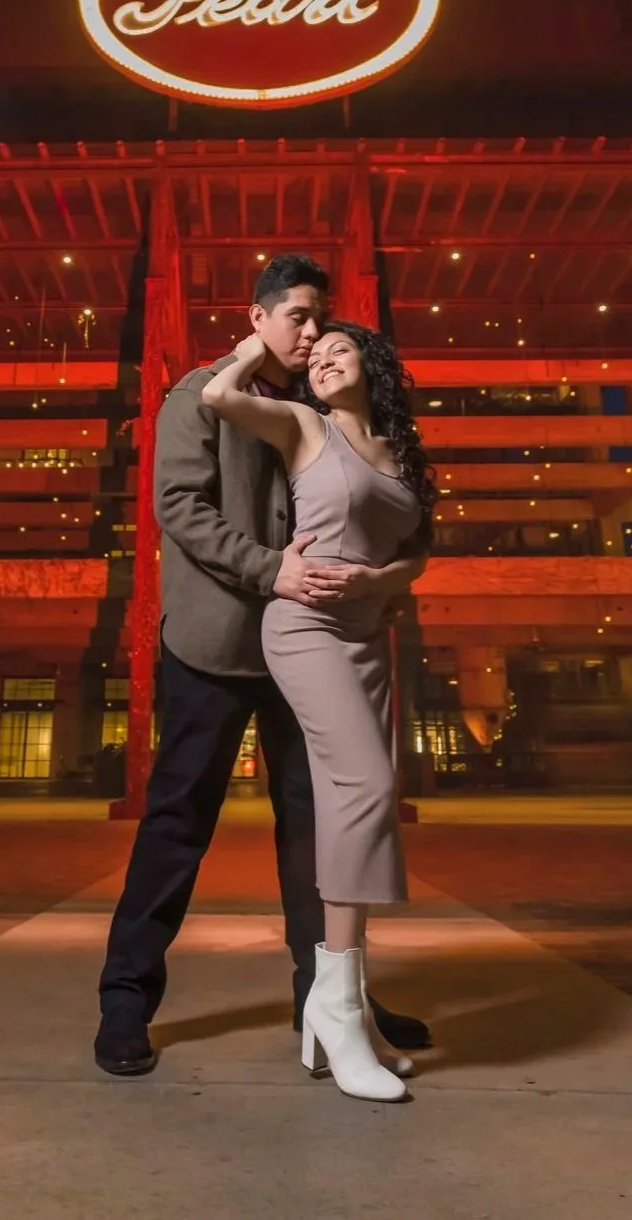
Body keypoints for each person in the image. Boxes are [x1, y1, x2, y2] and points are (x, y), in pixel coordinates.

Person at [95, 255, 430, 1078]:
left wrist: (373, 584)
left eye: (321, 318)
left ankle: (327, 994)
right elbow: (179, 508)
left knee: (318, 826)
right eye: (298, 316)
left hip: (312, 649)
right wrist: (271, 568)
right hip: (214, 645)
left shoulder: (321, 407)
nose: (312, 332)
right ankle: (125, 1000)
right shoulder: (199, 394)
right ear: (257, 317)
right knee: (177, 823)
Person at [201, 319, 436, 1101]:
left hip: (367, 634)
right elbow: (218, 395)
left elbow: (417, 552)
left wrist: (376, 582)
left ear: (373, 366)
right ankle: (334, 1006)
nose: (326, 357)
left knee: (360, 802)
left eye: (342, 349)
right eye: (318, 353)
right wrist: (253, 346)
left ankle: (345, 1007)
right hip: (304, 625)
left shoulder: (400, 454)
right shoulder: (305, 425)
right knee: (363, 787)